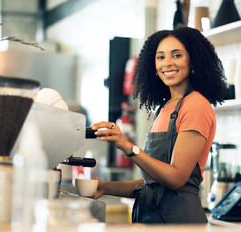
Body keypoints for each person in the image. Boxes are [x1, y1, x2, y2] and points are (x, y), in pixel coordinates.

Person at [90, 26, 227, 224]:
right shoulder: (163, 109)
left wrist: (128, 147)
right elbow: (153, 184)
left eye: (177, 55)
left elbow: (176, 178)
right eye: (160, 57)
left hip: (180, 223)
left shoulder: (196, 105)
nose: (167, 63)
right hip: (152, 221)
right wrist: (106, 187)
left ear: (193, 60)